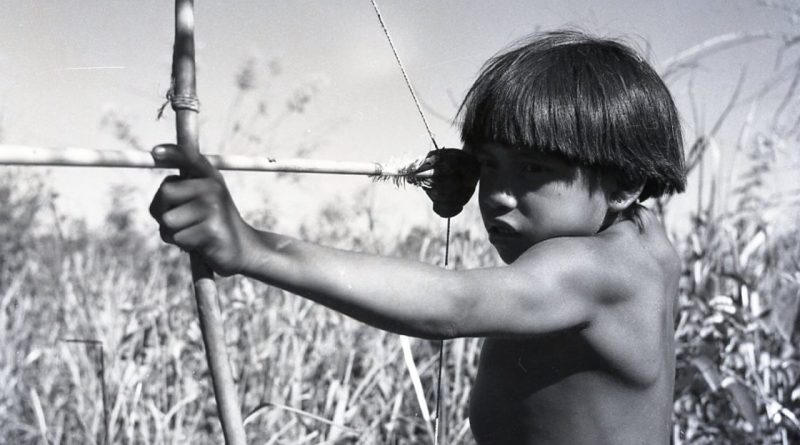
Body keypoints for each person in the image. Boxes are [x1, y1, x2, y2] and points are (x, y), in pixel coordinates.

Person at [149, 30, 686, 445]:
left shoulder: (595, 272)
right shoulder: (645, 243)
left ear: (623, 183)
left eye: (532, 169)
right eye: (488, 166)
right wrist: (480, 169)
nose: (496, 194)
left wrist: (249, 246)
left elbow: (452, 305)